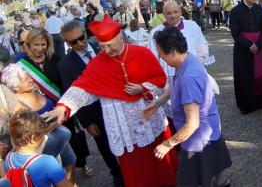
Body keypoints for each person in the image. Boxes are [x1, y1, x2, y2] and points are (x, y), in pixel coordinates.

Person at [43, 15, 177, 187]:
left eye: (110, 45)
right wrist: (63, 107)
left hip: (149, 121)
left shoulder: (141, 53)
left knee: (162, 169)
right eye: (102, 46)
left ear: (120, 38)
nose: (106, 50)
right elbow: (82, 88)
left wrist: (143, 88)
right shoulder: (97, 63)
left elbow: (160, 80)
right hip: (124, 130)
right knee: (138, 175)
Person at [144, 27, 232, 187]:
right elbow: (175, 84)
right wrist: (158, 103)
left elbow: (192, 124)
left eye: (161, 52)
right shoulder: (187, 60)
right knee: (214, 174)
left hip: (198, 141)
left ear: (173, 52)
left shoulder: (189, 79)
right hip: (208, 131)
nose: (160, 56)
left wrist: (167, 144)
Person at [59, 21, 123, 185]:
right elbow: (71, 94)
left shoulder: (100, 46)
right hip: (94, 113)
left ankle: (131, 169)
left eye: (82, 37)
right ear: (68, 43)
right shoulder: (65, 65)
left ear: (85, 33)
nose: (80, 43)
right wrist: (87, 123)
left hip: (119, 104)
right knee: (105, 146)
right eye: (74, 42)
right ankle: (117, 175)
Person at [0, 64, 76, 183]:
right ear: (15, 87)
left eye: (29, 76)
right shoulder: (17, 107)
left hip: (60, 139)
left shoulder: (35, 89)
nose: (31, 79)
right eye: (26, 79)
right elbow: (29, 133)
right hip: (42, 147)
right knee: (54, 177)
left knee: (71, 163)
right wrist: (56, 124)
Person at [230, 0, 262, 114]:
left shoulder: (259, 9)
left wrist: (258, 45)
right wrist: (249, 45)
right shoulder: (235, 11)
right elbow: (235, 33)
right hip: (243, 51)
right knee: (245, 77)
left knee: (260, 75)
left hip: (258, 49)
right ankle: (247, 105)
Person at [4, 110, 73, 187]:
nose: (45, 135)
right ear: (32, 139)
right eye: (43, 133)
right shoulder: (48, 162)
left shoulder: (8, 159)